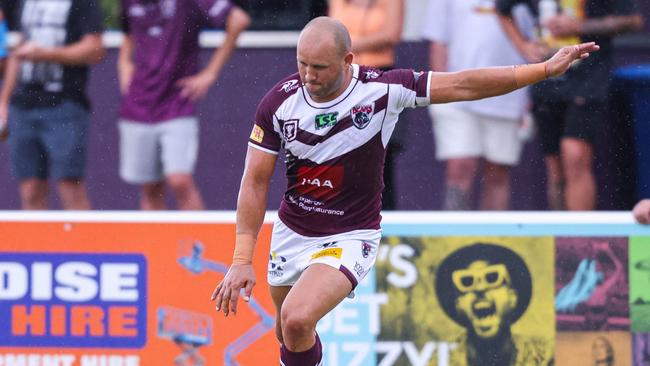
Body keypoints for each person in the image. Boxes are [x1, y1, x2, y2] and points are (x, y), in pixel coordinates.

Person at [210, 16, 598, 366]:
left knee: (296, 317)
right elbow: (255, 180)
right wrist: (242, 258)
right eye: (302, 64)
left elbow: (464, 84)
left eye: (320, 67)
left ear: (347, 61)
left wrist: (544, 69)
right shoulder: (279, 103)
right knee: (289, 335)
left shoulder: (384, 90)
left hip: (349, 235)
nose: (308, 75)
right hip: (292, 234)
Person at [496, 0, 643, 210]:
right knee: (555, 168)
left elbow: (632, 20)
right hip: (545, 78)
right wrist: (523, 46)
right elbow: (502, 9)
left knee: (574, 157)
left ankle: (578, 237)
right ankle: (561, 234)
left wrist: (579, 27)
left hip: (588, 77)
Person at [118, 0, 250, 210]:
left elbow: (238, 20)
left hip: (177, 103)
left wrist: (210, 73)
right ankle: (156, 244)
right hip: (138, 105)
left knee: (179, 180)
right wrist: (124, 64)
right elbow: (128, 32)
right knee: (151, 187)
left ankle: (203, 242)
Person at [423, 0, 534, 210]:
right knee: (459, 167)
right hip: (457, 95)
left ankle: (492, 240)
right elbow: (438, 43)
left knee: (497, 173)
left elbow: (535, 38)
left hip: (510, 93)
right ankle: (453, 239)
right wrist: (442, 94)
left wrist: (530, 92)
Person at [0, 0, 106, 210]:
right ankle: (36, 244)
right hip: (22, 106)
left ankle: (83, 244)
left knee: (70, 187)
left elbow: (95, 49)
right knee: (30, 190)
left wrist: (46, 54)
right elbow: (17, 49)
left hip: (64, 104)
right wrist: (3, 102)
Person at [328, 0, 405, 210]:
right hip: (344, 80)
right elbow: (329, 32)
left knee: (379, 157)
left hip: (378, 78)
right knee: (342, 151)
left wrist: (346, 46)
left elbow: (391, 35)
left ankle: (383, 221)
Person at [435, 243, 553, 365]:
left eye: (492, 278)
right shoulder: (440, 361)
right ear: (458, 304)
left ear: (513, 297)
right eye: (467, 281)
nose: (480, 288)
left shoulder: (544, 358)